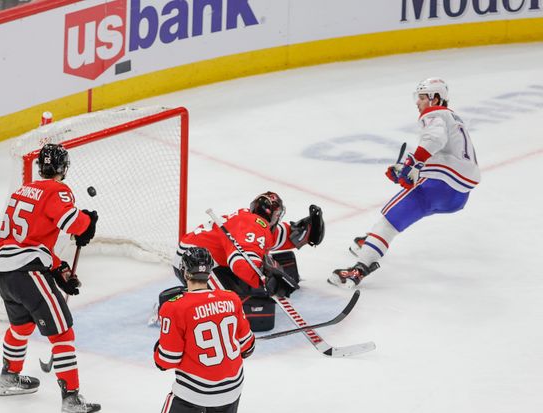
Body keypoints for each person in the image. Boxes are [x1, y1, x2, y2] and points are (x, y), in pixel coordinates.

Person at [137, 247, 256, 413]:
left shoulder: (175, 307)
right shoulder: (231, 299)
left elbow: (165, 359)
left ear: (185, 272)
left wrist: (161, 340)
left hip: (193, 389)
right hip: (231, 385)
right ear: (210, 271)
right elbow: (247, 346)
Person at [329, 78, 480, 288]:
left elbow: (435, 139)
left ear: (435, 98)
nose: (417, 102)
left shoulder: (434, 113)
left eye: (422, 97)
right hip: (459, 195)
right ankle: (371, 241)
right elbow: (444, 154)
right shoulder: (454, 119)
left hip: (441, 183)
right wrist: (410, 170)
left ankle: (359, 268)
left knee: (388, 222)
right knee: (404, 212)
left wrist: (413, 163)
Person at [0, 143, 101, 413]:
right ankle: (72, 401)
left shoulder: (22, 190)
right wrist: (88, 221)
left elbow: (27, 240)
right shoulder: (57, 190)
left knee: (21, 327)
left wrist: (57, 268)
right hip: (28, 273)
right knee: (63, 333)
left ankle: (9, 377)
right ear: (63, 168)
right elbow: (73, 223)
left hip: (6, 274)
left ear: (40, 166)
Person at [174, 192, 325, 298]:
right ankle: (174, 305)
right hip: (192, 263)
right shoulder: (253, 225)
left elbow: (277, 235)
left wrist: (306, 232)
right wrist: (264, 279)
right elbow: (240, 262)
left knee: (246, 285)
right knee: (225, 306)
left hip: (198, 257)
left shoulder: (253, 222)